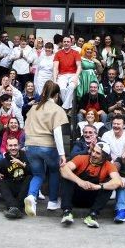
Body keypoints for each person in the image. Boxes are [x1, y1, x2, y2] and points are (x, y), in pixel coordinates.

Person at [23, 80, 70, 216]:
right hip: (47, 146)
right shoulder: (57, 109)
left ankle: (31, 197)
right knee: (54, 171)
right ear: (56, 95)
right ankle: (53, 202)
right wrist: (62, 154)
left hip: (30, 145)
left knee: (38, 174)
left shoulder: (33, 108)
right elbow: (57, 133)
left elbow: (25, 127)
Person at [58, 141, 123, 228]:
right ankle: (67, 212)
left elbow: (117, 181)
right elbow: (63, 169)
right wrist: (80, 182)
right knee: (66, 178)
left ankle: (92, 215)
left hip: (92, 199)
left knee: (110, 184)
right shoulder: (81, 158)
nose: (93, 154)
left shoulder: (109, 165)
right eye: (93, 151)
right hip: (75, 196)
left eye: (97, 153)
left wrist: (98, 186)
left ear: (104, 157)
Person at [0, 136, 32, 219]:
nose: (13, 148)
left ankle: (14, 208)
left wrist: (22, 164)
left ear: (19, 146)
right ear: (6, 147)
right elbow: (0, 173)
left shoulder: (26, 156)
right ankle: (16, 208)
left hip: (24, 188)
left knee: (30, 177)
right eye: (10, 145)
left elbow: (33, 172)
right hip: (12, 187)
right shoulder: (4, 161)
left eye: (15, 145)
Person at [53, 36, 82, 111]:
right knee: (62, 89)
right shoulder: (58, 53)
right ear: (62, 43)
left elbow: (79, 66)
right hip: (62, 75)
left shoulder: (75, 53)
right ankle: (69, 107)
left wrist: (76, 76)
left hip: (73, 75)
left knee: (71, 87)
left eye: (68, 42)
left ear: (71, 43)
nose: (66, 43)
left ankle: (64, 107)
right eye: (64, 41)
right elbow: (55, 68)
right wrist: (54, 80)